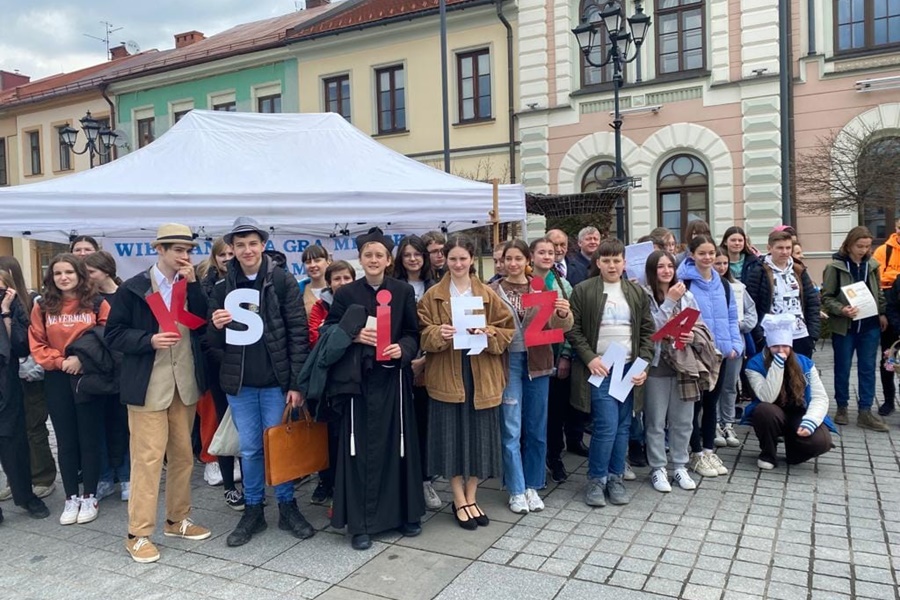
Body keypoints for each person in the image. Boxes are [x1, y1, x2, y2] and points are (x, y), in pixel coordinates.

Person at [105, 223, 212, 563]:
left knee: (182, 457)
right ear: (160, 250)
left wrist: (194, 286)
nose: (184, 256)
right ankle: (137, 533)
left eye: (188, 250)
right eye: (177, 249)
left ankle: (176, 519)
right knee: (148, 460)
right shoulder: (134, 288)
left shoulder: (190, 284)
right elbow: (114, 335)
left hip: (184, 385)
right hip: (148, 386)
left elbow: (202, 321)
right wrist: (147, 341)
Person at [209, 217, 314, 547]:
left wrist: (296, 383)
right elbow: (211, 343)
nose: (247, 250)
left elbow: (298, 334)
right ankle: (253, 509)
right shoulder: (222, 289)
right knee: (251, 450)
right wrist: (216, 325)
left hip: (275, 383)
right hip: (241, 385)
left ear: (263, 245)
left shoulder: (282, 281)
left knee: (279, 445)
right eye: (239, 245)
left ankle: (287, 505)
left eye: (252, 243)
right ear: (232, 251)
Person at [324, 227, 424, 550]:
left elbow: (413, 332)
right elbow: (328, 333)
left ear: (388, 259)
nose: (373, 259)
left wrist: (403, 349)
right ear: (360, 258)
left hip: (393, 380)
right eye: (368, 254)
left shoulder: (403, 291)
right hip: (359, 382)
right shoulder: (346, 294)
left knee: (400, 446)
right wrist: (353, 337)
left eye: (379, 254)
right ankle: (362, 523)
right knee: (359, 451)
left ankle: (405, 514)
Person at [419, 234, 513, 530]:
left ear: (472, 259)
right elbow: (420, 332)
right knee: (453, 439)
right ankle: (458, 498)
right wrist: (438, 333)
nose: (458, 264)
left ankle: (472, 495)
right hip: (448, 373)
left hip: (481, 373)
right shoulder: (432, 295)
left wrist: (488, 332)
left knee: (479, 438)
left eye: (463, 258)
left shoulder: (487, 293)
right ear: (444, 260)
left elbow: (507, 330)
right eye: (452, 258)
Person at [567, 238, 654, 507]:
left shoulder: (636, 293)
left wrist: (644, 365)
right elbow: (573, 328)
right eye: (606, 260)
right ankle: (596, 480)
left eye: (616, 260)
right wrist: (590, 358)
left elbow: (648, 332)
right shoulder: (583, 290)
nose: (612, 265)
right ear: (598, 263)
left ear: (624, 263)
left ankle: (615, 477)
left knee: (623, 426)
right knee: (606, 425)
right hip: (601, 367)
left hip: (628, 367)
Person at [490, 240, 572, 514]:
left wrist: (563, 312)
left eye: (517, 258)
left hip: (539, 362)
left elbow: (561, 325)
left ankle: (532, 486)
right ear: (501, 261)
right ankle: (515, 488)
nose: (512, 264)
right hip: (508, 362)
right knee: (511, 428)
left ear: (526, 259)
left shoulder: (541, 285)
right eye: (507, 259)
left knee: (537, 428)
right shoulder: (492, 290)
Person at [29, 253, 111, 526]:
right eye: (58, 273)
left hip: (87, 377)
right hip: (56, 377)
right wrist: (61, 361)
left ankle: (89, 495)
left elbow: (107, 338)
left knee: (89, 437)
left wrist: (81, 360)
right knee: (65, 440)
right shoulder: (42, 306)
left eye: (69, 272)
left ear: (80, 275)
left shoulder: (97, 303)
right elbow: (37, 342)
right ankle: (71, 497)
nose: (63, 277)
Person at [642, 250, 713, 492]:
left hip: (684, 364)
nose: (666, 271)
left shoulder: (687, 296)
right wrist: (670, 301)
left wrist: (692, 335)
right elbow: (652, 330)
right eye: (660, 266)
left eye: (670, 266)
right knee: (655, 420)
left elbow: (700, 325)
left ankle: (680, 465)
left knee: (683, 420)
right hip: (656, 365)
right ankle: (658, 467)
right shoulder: (645, 295)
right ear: (652, 270)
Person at [676, 235, 742, 479]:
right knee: (694, 405)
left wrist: (734, 345)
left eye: (711, 253)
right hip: (696, 353)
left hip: (720, 354)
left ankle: (708, 449)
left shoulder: (723, 284)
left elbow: (731, 316)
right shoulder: (685, 283)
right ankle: (694, 453)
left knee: (712, 404)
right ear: (692, 254)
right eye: (702, 253)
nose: (707, 258)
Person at [743, 314, 835, 469]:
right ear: (768, 346)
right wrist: (777, 366)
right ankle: (768, 453)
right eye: (775, 347)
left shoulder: (805, 363)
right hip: (773, 410)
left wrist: (811, 421)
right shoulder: (755, 365)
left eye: (785, 346)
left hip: (799, 410)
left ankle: (794, 451)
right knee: (764, 411)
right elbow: (767, 397)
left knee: (822, 442)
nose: (781, 351)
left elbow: (820, 397)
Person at [821, 226, 889, 432]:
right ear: (849, 245)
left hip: (869, 325)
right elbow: (826, 297)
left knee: (868, 368)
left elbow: (878, 293)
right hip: (846, 326)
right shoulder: (836, 266)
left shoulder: (873, 265)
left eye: (867, 246)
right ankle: (842, 406)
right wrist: (841, 309)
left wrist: (882, 312)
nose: (863, 250)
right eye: (859, 246)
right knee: (842, 366)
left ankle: (865, 411)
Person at [0, 256, 56, 503]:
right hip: (7, 377)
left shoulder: (30, 300)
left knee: (34, 426)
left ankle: (43, 477)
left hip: (30, 374)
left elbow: (24, 342)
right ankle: (17, 480)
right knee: (11, 432)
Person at [392, 235, 442, 510]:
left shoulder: (435, 286)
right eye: (408, 254)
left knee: (424, 423)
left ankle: (424, 481)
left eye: (417, 254)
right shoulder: (393, 287)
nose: (413, 259)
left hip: (430, 364)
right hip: (401, 363)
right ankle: (402, 479)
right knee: (401, 423)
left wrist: (424, 360)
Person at [195, 238, 244, 508]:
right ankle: (229, 485)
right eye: (222, 254)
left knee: (248, 430)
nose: (227, 258)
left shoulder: (255, 283)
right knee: (225, 426)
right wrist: (226, 360)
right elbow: (206, 336)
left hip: (250, 368)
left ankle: (251, 484)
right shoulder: (210, 288)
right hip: (221, 367)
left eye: (230, 252)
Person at [306, 260, 356, 508]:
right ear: (329, 283)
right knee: (327, 433)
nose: (342, 283)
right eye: (337, 279)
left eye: (347, 278)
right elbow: (317, 338)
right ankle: (325, 481)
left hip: (354, 377)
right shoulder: (319, 307)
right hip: (327, 378)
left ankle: (346, 481)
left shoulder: (360, 303)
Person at [83, 251, 131, 503]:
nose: (87, 277)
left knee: (120, 426)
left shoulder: (124, 295)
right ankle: (103, 478)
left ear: (106, 270)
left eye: (91, 272)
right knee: (97, 426)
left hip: (122, 370)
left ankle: (125, 476)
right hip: (95, 370)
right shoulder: (86, 300)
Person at [534, 237, 578, 483]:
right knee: (534, 414)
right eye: (542, 252)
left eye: (551, 252)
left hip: (556, 353)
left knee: (555, 412)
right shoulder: (526, 283)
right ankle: (534, 461)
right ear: (533, 255)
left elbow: (573, 326)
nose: (547, 256)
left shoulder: (564, 286)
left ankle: (554, 456)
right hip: (531, 358)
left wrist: (566, 355)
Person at [743, 229, 820, 358]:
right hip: (771, 336)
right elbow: (751, 305)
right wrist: (759, 335)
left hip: (800, 334)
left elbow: (812, 301)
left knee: (800, 375)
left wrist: (813, 333)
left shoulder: (798, 270)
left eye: (788, 248)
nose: (784, 252)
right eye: (780, 248)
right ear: (770, 248)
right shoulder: (759, 271)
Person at [713, 247, 757, 448]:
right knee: (712, 386)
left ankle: (727, 422)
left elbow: (751, 314)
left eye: (724, 263)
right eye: (717, 263)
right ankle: (713, 423)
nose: (721, 267)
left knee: (730, 386)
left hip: (734, 342)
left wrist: (738, 324)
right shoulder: (707, 287)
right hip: (713, 345)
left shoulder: (738, 287)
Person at [872, 217, 900, 416]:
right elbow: (878, 277)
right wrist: (895, 277)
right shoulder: (883, 251)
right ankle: (889, 400)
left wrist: (892, 275)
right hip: (890, 306)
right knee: (888, 357)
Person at [298, 245, 332, 320]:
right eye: (308, 262)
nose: (313, 265)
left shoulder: (338, 287)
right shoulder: (298, 291)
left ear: (328, 261)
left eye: (317, 260)